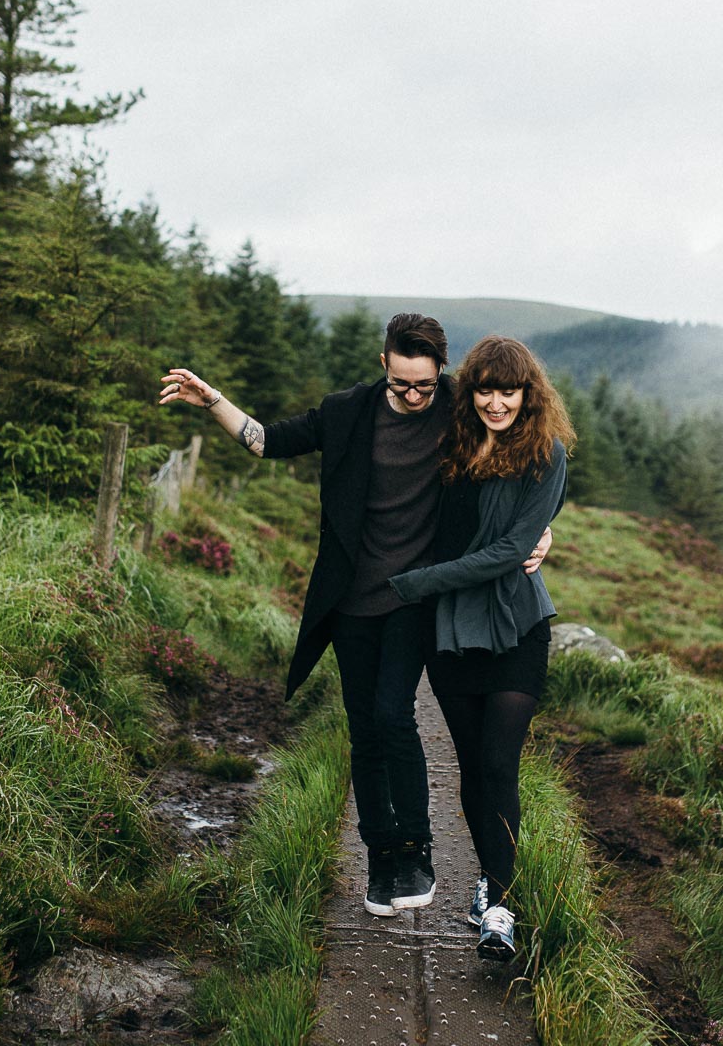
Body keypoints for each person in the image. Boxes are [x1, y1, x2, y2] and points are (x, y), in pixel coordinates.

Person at [157, 315, 550, 918]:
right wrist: (211, 398)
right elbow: (269, 440)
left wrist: (541, 530)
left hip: (414, 596)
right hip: (350, 598)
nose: (414, 396)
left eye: (424, 385)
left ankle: (418, 849)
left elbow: (520, 455)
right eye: (401, 385)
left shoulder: (460, 407)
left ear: (442, 372)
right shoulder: (347, 412)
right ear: (383, 364)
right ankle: (381, 861)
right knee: (363, 728)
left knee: (394, 715)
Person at [387, 335, 573, 962]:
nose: (497, 403)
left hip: (517, 624)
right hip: (452, 634)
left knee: (500, 763)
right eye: (486, 390)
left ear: (528, 394)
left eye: (509, 391)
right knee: (471, 765)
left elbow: (510, 551)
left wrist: (415, 584)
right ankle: (491, 887)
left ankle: (501, 906)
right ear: (469, 393)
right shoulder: (450, 444)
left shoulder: (544, 455)